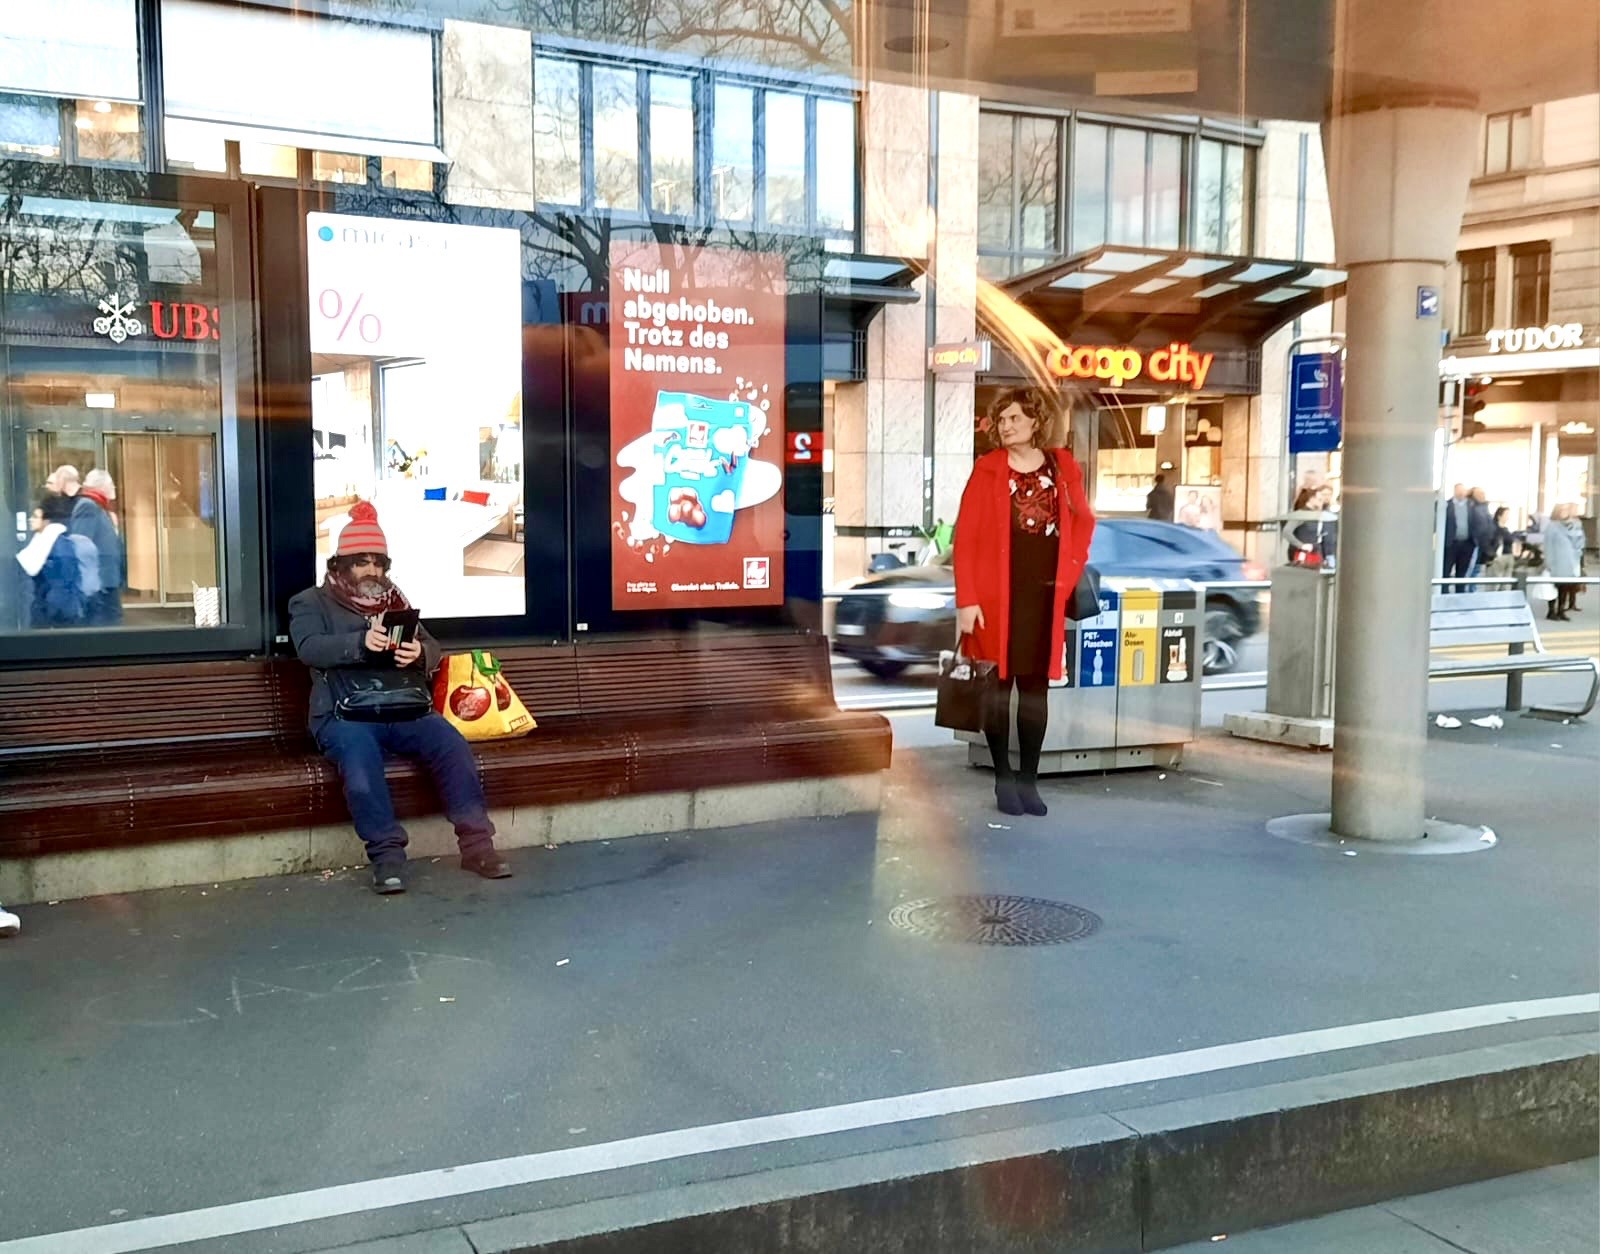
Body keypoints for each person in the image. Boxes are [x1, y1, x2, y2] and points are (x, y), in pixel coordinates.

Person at [290, 502, 512, 894]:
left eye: (379, 562)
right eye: (361, 561)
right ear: (340, 564)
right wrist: (360, 643)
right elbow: (309, 648)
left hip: (404, 708)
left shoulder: (395, 599)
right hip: (345, 715)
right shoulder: (310, 601)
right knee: (359, 758)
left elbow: (432, 646)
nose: (372, 571)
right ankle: (387, 857)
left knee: (451, 745)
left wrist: (420, 654)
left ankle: (478, 847)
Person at [954, 388, 1095, 818]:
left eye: (1014, 418)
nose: (1006, 426)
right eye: (1001, 420)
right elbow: (965, 539)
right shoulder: (988, 469)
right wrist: (967, 600)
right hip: (994, 598)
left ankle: (1029, 781)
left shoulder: (1062, 466)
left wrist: (1069, 573)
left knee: (1035, 692)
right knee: (997, 690)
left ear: (1035, 422)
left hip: (1043, 596)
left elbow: (1083, 521)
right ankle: (1003, 779)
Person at [15, 496, 91, 627]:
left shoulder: (58, 545)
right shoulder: (42, 543)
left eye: (35, 516)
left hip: (56, 612)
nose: (30, 519)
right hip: (48, 607)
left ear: (46, 521)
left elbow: (63, 580)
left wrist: (51, 609)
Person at [76, 468, 125, 625]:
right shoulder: (88, 506)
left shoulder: (100, 508)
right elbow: (81, 544)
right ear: (100, 486)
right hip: (99, 584)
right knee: (106, 624)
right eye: (111, 484)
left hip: (107, 581)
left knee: (112, 623)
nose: (113, 487)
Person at [1542, 503, 1583, 621]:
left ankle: (1561, 610)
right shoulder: (1552, 526)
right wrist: (1549, 561)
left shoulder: (1569, 525)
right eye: (1563, 511)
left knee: (1564, 588)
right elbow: (1548, 545)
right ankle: (1551, 611)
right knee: (1552, 588)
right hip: (1555, 561)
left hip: (1568, 562)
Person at [1442, 483, 1479, 591]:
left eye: (1463, 491)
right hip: (1451, 544)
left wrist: (1475, 541)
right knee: (1446, 572)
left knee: (1462, 573)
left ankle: (1459, 594)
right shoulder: (1446, 506)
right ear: (1454, 491)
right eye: (1459, 491)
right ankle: (1444, 594)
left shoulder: (1472, 506)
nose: (1461, 493)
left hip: (1467, 544)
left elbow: (1476, 524)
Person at [1290, 485, 1337, 566]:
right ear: (1312, 499)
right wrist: (1301, 545)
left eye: (1329, 494)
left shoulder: (1329, 512)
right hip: (1306, 554)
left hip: (1320, 552)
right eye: (1323, 495)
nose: (1325, 498)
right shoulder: (1303, 514)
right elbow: (1288, 531)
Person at [1482, 505, 1517, 577]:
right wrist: (1492, 555)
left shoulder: (1506, 530)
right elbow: (1487, 543)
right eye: (1506, 515)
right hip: (1498, 559)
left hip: (1508, 557)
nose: (1508, 518)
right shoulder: (1493, 529)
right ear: (1499, 516)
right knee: (1496, 580)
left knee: (1507, 581)